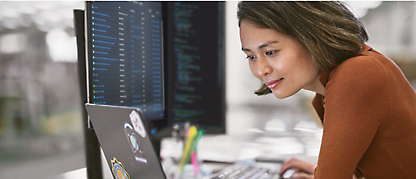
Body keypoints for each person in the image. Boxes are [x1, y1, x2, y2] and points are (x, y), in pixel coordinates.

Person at [237, 1, 416, 179]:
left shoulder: (356, 75)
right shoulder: (328, 90)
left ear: (310, 37)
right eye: (251, 56)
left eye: (270, 52)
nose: (261, 70)